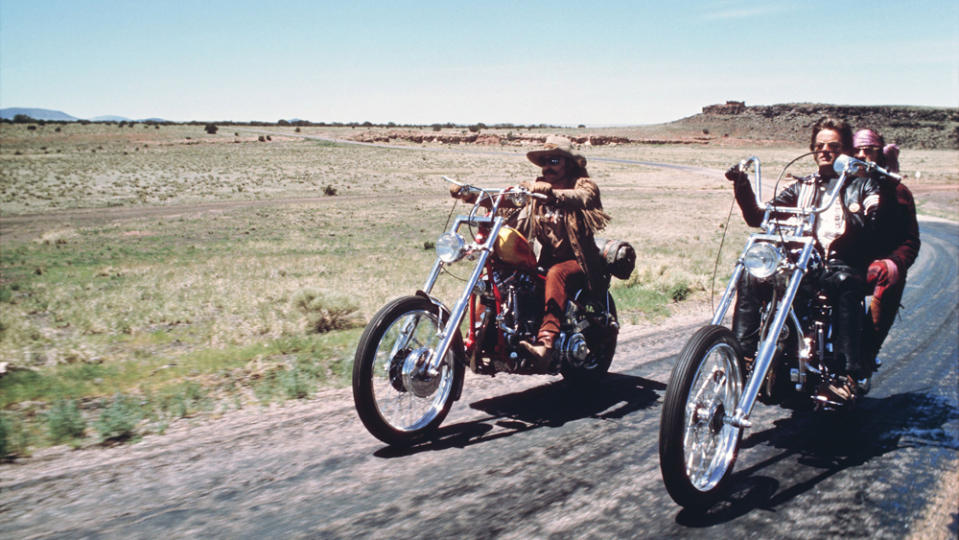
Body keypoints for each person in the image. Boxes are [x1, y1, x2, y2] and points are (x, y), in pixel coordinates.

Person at [725, 117, 882, 401]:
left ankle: (846, 374)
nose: (825, 150)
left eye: (833, 145)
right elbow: (759, 216)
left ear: (845, 150)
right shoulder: (803, 187)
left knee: (846, 281)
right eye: (819, 145)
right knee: (753, 272)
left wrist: (859, 214)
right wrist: (742, 185)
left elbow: (875, 221)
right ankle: (744, 357)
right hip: (802, 264)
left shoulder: (861, 185)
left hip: (839, 264)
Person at [450, 135, 610, 372]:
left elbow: (583, 198)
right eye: (544, 161)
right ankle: (479, 339)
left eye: (554, 160)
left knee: (556, 273)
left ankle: (546, 344)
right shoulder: (533, 190)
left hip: (579, 262)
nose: (548, 166)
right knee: (502, 277)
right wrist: (471, 195)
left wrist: (553, 194)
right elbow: (503, 199)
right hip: (544, 260)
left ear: (568, 163)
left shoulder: (583, 185)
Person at [852, 129, 920, 363]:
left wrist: (895, 262)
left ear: (880, 155)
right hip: (839, 263)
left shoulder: (898, 192)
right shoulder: (840, 185)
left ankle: (867, 353)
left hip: (872, 267)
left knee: (889, 272)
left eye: (868, 150)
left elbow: (910, 241)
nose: (861, 155)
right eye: (856, 150)